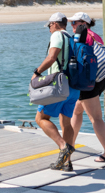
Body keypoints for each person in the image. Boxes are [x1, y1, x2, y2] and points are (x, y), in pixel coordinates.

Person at [33, 13, 81, 172]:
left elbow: (52, 57)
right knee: (66, 123)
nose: (49, 29)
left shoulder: (57, 35)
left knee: (40, 118)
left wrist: (37, 72)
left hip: (59, 85)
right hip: (73, 87)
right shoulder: (72, 37)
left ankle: (63, 147)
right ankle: (67, 163)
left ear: (55, 23)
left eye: (49, 26)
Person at [68, 12, 105, 164]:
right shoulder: (96, 36)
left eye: (74, 22)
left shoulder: (82, 36)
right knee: (76, 111)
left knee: (95, 118)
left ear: (83, 22)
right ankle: (69, 146)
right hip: (98, 79)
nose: (72, 26)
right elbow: (101, 59)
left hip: (87, 82)